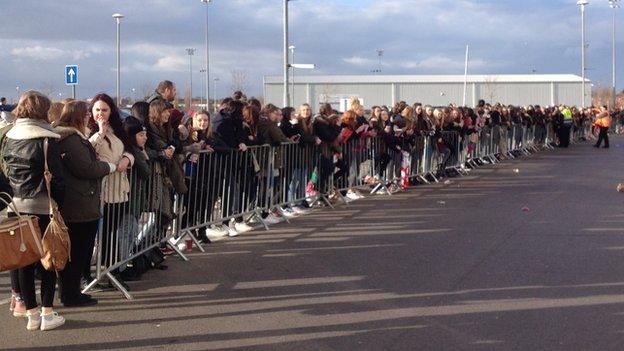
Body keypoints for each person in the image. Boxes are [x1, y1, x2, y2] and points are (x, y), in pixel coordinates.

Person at [3, 90, 66, 331]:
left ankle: (31, 315)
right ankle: (48, 313)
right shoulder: (48, 138)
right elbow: (58, 180)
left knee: (24, 261)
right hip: (42, 206)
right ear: (42, 111)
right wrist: (60, 204)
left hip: (15, 207)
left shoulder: (9, 137)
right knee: (48, 259)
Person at [55, 100, 117, 307]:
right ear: (78, 116)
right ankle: (70, 294)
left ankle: (71, 292)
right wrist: (108, 166)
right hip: (78, 203)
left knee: (77, 252)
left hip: (77, 200)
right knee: (77, 252)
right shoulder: (71, 139)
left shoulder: (68, 137)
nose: (90, 117)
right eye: (87, 114)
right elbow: (85, 168)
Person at [88, 93, 135, 289]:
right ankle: (103, 271)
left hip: (119, 190)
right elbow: (88, 151)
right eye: (97, 110)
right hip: (101, 192)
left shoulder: (118, 130)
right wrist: (100, 132)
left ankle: (112, 270)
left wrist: (127, 159)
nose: (101, 114)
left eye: (104, 110)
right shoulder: (89, 131)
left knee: (113, 233)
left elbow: (131, 150)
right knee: (101, 235)